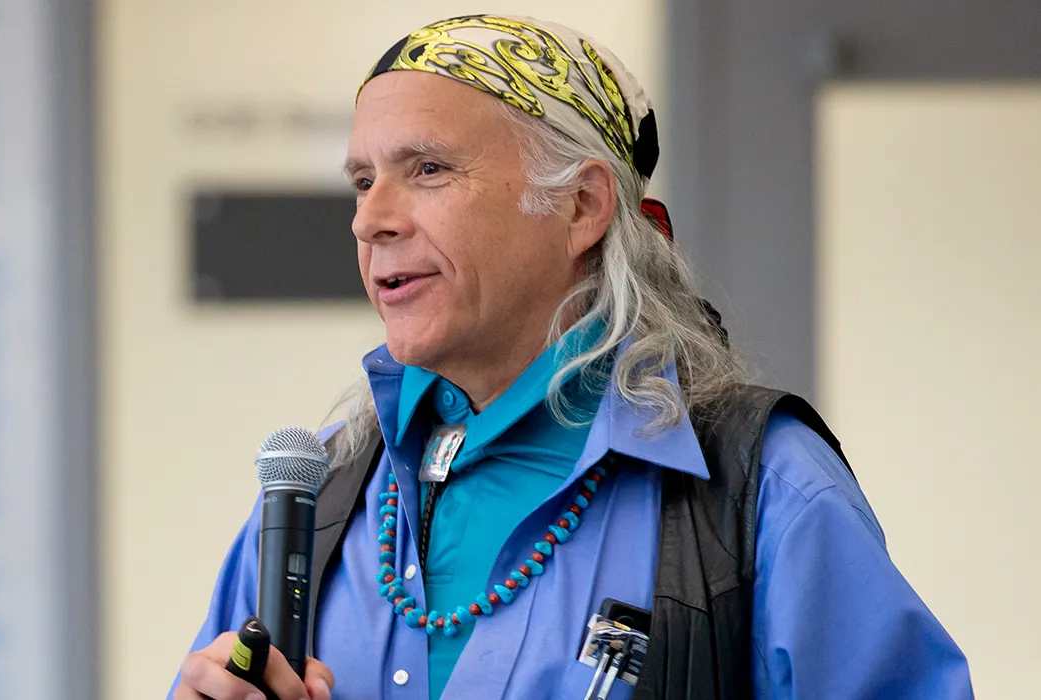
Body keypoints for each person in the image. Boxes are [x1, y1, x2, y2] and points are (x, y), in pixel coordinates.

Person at [169, 14, 973, 700]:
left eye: (429, 169)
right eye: (361, 179)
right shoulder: (323, 499)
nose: (369, 218)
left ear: (582, 205)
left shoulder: (762, 490)